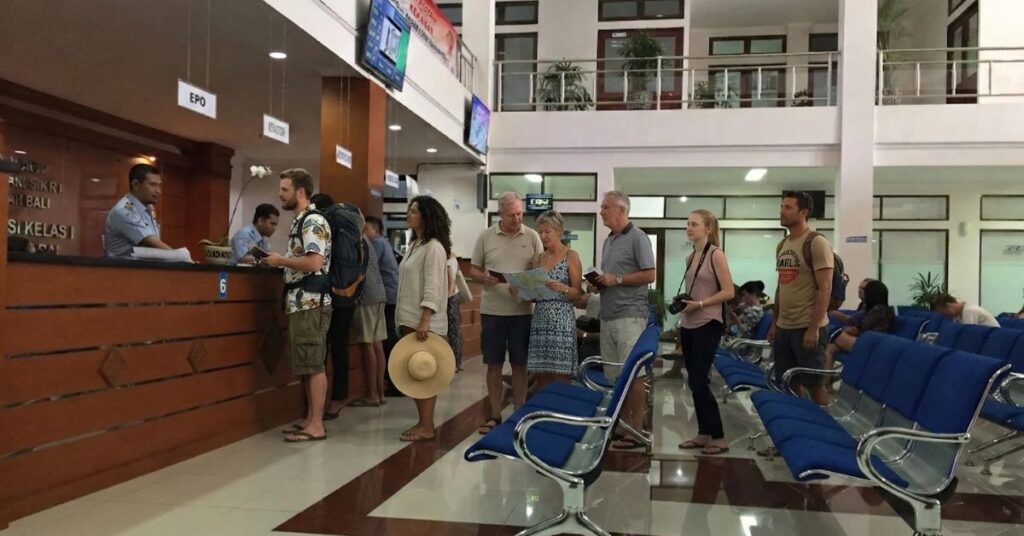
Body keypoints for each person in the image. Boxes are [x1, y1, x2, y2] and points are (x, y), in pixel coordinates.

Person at [263, 168, 332, 443]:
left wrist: (280, 260)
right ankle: (309, 419)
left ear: (300, 192)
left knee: (313, 364)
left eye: (285, 189)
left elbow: (314, 262)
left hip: (310, 301)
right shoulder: (301, 220)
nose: (280, 194)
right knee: (306, 362)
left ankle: (316, 425)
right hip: (302, 301)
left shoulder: (312, 221)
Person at [470, 192, 543, 435]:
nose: (517, 219)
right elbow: (473, 269)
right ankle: (494, 414)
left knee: (520, 364)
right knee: (494, 364)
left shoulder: (532, 236)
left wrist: (526, 286)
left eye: (520, 214)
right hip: (493, 311)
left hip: (522, 312)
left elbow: (540, 272)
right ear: (500, 213)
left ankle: (519, 414)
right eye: (512, 215)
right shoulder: (485, 236)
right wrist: (484, 278)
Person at [595, 191, 656, 450]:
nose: (601, 212)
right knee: (616, 375)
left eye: (606, 207)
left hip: (630, 315)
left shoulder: (638, 237)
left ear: (621, 210)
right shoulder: (608, 240)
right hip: (608, 314)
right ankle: (622, 423)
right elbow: (610, 277)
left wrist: (617, 279)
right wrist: (600, 283)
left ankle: (636, 429)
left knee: (633, 374)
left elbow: (650, 274)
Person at [675, 210, 735, 455]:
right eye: (688, 223)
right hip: (689, 323)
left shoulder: (716, 254)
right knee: (694, 380)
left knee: (699, 380)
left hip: (708, 322)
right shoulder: (691, 256)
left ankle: (718, 436)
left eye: (694, 224)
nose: (689, 228)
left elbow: (729, 291)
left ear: (708, 229)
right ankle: (703, 433)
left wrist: (700, 304)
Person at [770, 191, 834, 406]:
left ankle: (823, 425)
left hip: (807, 327)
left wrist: (814, 328)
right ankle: (795, 420)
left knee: (814, 384)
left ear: (803, 212)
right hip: (784, 327)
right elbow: (781, 286)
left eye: (788, 207)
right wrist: (774, 323)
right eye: (781, 206)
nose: (782, 211)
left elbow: (825, 287)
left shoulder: (816, 242)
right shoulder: (782, 245)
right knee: (788, 382)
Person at [395, 195, 451, 441]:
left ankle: (427, 426)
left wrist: (425, 319)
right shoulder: (416, 245)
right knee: (414, 374)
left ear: (427, 216)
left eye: (414, 211)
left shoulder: (434, 247)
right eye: (409, 210)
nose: (409, 214)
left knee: (424, 372)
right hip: (410, 319)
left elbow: (433, 287)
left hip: (424, 323)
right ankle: (423, 422)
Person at [308, 193, 357, 420]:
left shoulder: (327, 228)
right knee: (339, 348)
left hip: (330, 294)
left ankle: (327, 401)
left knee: (326, 349)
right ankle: (337, 398)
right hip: (347, 294)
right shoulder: (348, 230)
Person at [525, 211, 583, 390]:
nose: (543, 236)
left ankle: (561, 405)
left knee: (560, 373)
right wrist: (522, 289)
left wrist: (563, 288)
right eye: (540, 232)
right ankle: (543, 405)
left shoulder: (571, 256)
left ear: (559, 231)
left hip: (562, 321)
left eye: (547, 231)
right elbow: (533, 293)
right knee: (541, 372)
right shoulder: (537, 259)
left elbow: (578, 293)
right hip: (540, 319)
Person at [349, 222, 389, 407]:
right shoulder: (366, 239)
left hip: (364, 296)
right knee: (377, 344)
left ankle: (371, 394)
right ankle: (380, 394)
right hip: (379, 294)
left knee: (366, 345)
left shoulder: (352, 240)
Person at [104, 163, 174, 257]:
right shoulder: (125, 211)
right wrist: (183, 258)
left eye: (159, 185)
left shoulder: (147, 208)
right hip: (124, 266)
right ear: (136, 185)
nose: (158, 191)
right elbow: (153, 244)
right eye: (153, 185)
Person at [825, 280, 895, 367]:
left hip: (874, 345)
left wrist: (856, 331)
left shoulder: (880, 310)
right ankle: (825, 375)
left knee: (838, 334)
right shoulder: (868, 308)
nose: (862, 292)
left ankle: (830, 333)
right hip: (862, 339)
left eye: (865, 290)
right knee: (829, 349)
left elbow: (872, 333)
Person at [365, 216, 400, 361]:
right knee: (388, 333)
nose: (364, 232)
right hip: (392, 293)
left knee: (388, 335)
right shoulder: (384, 242)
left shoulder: (377, 244)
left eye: (366, 229)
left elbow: (367, 265)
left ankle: (392, 368)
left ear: (375, 230)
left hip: (386, 295)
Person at [931, 293, 1000, 327]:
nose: (945, 316)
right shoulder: (958, 315)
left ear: (948, 305)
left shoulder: (969, 311)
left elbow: (968, 334)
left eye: (943, 313)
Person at [446, 251, 464, 371]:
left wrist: (446, 298)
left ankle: (455, 363)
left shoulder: (449, 261)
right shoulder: (453, 259)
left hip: (450, 298)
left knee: (453, 332)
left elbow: (451, 282)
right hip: (453, 298)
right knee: (455, 331)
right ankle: (457, 362)